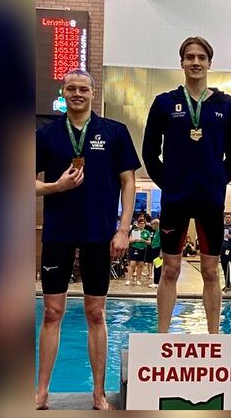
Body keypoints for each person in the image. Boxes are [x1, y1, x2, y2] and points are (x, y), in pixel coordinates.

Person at [35, 69, 141, 410]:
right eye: (71, 88)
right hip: (59, 233)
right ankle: (41, 392)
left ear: (93, 94)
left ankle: (99, 393)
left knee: (96, 312)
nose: (77, 93)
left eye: (83, 88)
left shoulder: (115, 132)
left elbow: (128, 182)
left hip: (99, 233)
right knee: (52, 311)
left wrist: (123, 229)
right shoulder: (47, 134)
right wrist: (55, 187)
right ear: (62, 93)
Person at [142, 36, 231, 333]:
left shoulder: (227, 104)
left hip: (210, 200)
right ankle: (162, 336)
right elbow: (150, 152)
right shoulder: (164, 103)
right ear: (182, 62)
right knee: (170, 269)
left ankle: (213, 337)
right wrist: (169, 183)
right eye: (190, 57)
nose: (195, 62)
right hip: (175, 199)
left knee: (211, 271)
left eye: (201, 57)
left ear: (210, 62)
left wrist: (217, 181)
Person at [126, 216, 151, 285]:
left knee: (140, 265)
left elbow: (149, 242)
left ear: (145, 224)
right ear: (138, 224)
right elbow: (130, 240)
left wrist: (143, 240)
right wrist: (136, 239)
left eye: (143, 224)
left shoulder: (147, 232)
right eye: (140, 224)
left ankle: (138, 280)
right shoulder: (134, 231)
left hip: (143, 249)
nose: (142, 225)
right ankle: (128, 279)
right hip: (135, 248)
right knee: (132, 264)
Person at [146, 218, 162, 288]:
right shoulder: (156, 231)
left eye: (152, 224)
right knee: (156, 266)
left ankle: (156, 282)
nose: (151, 226)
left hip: (158, 250)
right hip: (155, 250)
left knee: (157, 267)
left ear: (156, 224)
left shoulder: (160, 232)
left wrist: (161, 253)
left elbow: (162, 243)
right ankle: (157, 281)